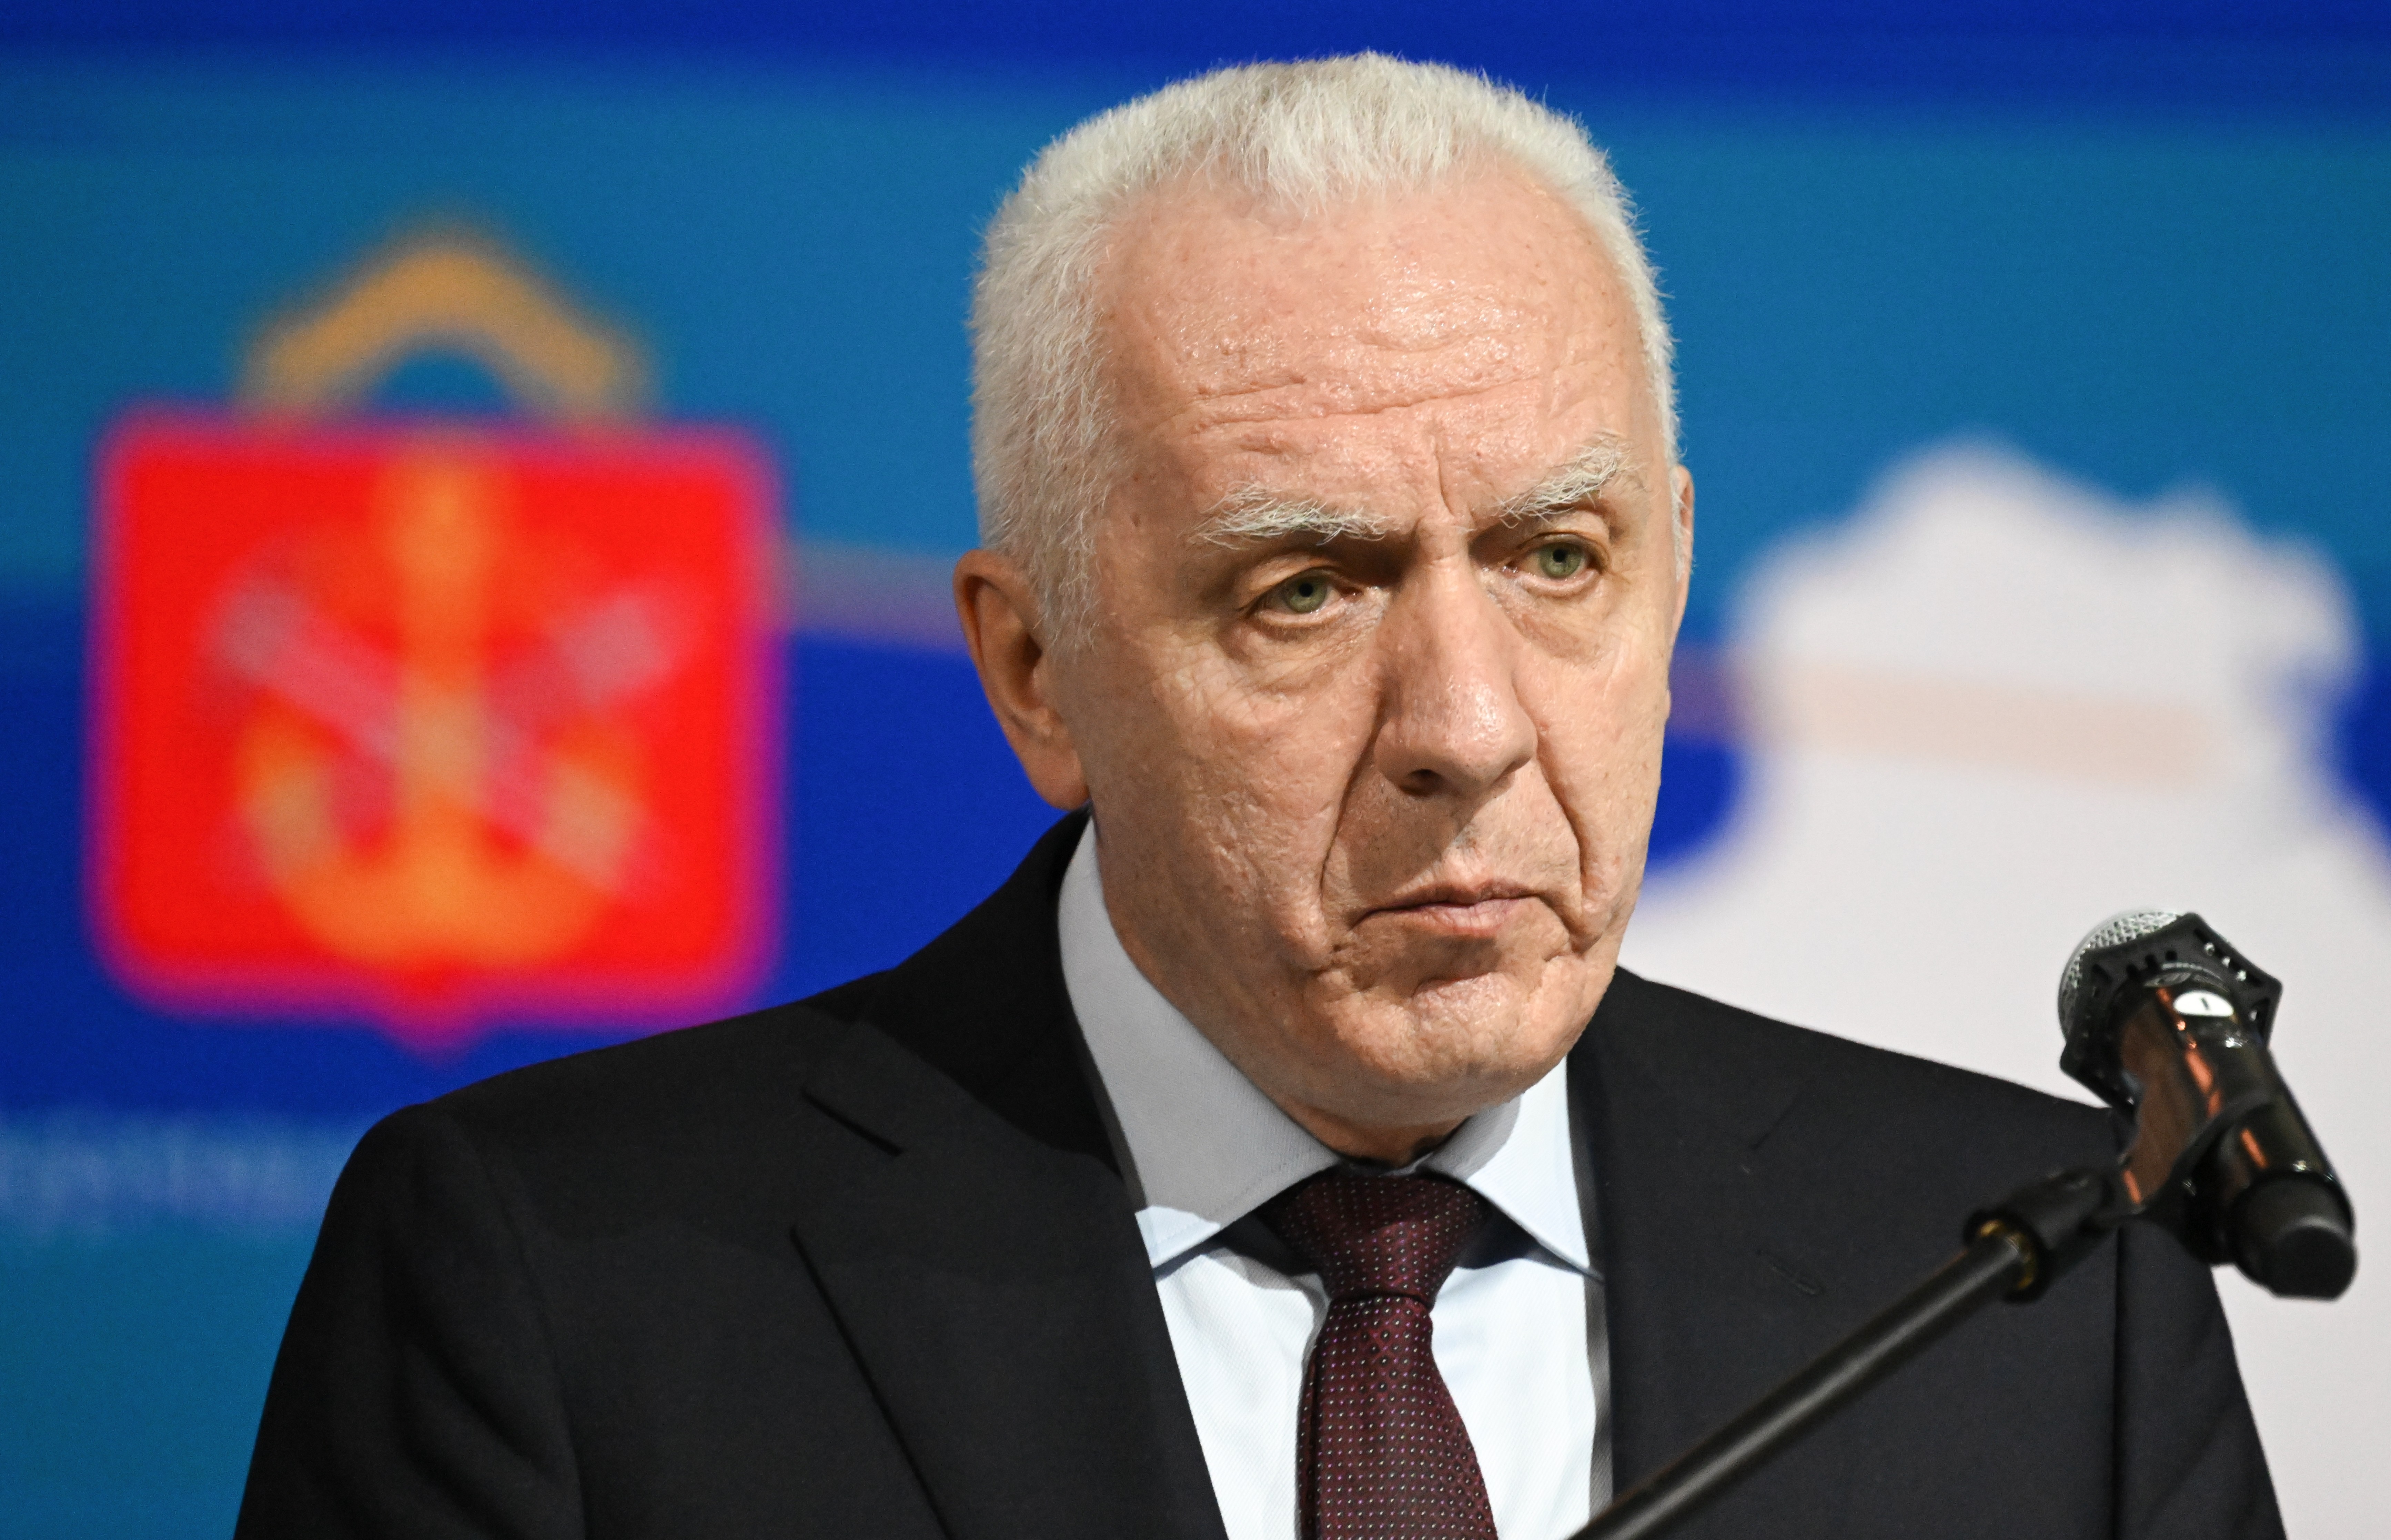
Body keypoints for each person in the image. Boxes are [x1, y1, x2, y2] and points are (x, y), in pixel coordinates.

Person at [234, 55, 2280, 1540]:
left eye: (1556, 559)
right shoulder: (561, 1284)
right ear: (1036, 672)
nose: (1467, 725)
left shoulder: (2030, 1281)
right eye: (1305, 589)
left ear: (1668, 577)